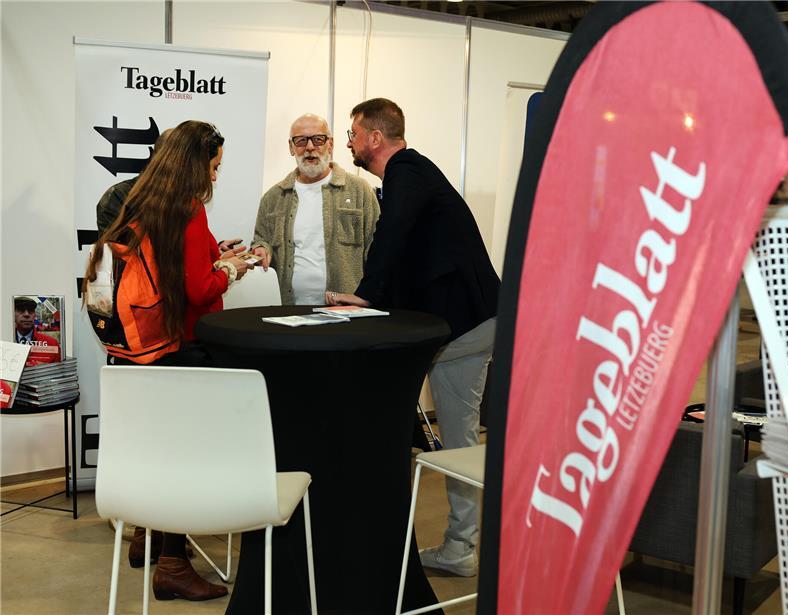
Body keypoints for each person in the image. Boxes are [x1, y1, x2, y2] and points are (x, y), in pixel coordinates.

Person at [327, 98, 499, 577]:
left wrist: (365, 295)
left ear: (374, 138)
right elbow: (409, 250)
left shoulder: (406, 170)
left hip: (462, 326)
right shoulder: (413, 175)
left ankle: (370, 538)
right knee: (459, 441)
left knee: (380, 412)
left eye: (353, 133)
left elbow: (393, 234)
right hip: (473, 321)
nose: (349, 142)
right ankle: (461, 549)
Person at [84, 119, 250, 602]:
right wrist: (230, 269)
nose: (215, 177)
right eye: (214, 166)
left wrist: (213, 256)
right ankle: (174, 564)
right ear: (196, 163)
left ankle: (146, 535)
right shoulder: (188, 208)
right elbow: (198, 288)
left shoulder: (133, 200)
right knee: (183, 452)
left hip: (135, 344)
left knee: (151, 443)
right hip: (177, 346)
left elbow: (170, 268)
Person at [250, 113, 380, 305]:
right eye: (301, 141)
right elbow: (261, 241)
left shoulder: (359, 191)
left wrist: (371, 299)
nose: (310, 147)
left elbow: (377, 250)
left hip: (346, 313)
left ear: (331, 144)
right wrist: (260, 248)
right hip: (287, 312)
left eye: (318, 139)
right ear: (291, 147)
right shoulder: (273, 198)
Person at [96, 127, 244, 251]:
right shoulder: (118, 197)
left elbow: (185, 255)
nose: (213, 177)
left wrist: (213, 253)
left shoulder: (187, 201)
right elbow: (126, 258)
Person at [14, 297, 61, 364]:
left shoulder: (52, 344)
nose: (27, 314)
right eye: (21, 310)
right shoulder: (4, 342)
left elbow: (58, 372)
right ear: (12, 314)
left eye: (31, 310)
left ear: (34, 315)